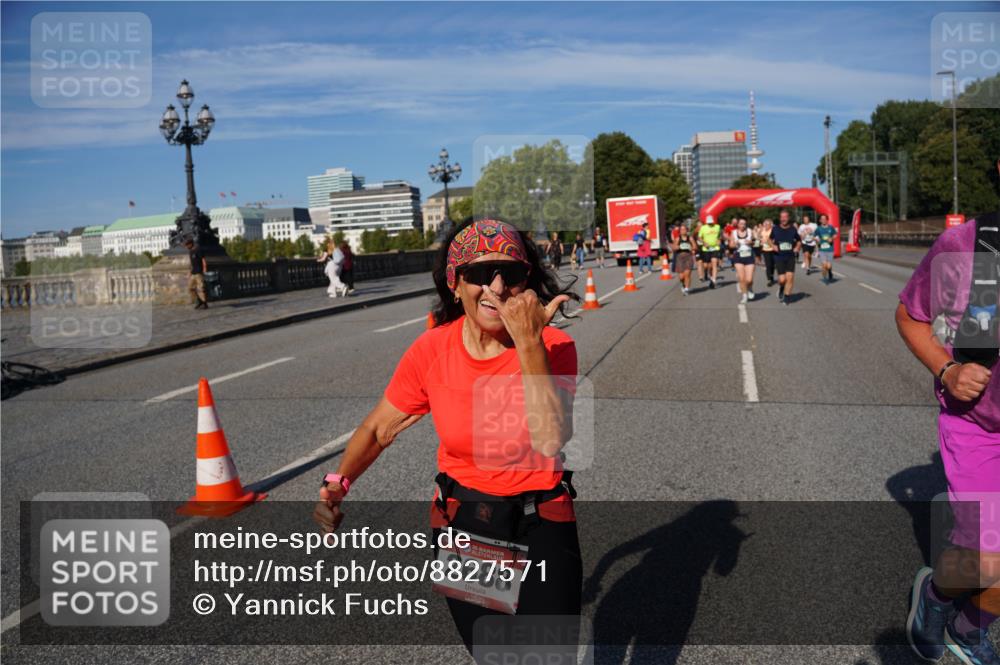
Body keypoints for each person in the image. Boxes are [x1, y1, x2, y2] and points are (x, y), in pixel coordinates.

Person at [312, 218, 582, 658]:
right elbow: (381, 427)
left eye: (510, 274)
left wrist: (529, 344)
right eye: (478, 274)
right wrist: (337, 484)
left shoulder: (552, 346)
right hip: (466, 521)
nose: (495, 286)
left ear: (526, 284)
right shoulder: (432, 349)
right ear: (456, 285)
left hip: (541, 519)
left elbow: (551, 439)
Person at [899, 197, 999, 664]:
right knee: (987, 559)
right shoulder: (968, 248)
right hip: (981, 427)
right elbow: (910, 316)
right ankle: (937, 598)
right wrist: (947, 370)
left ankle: (968, 626)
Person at [771, 210, 801, 304]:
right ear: (780, 218)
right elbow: (769, 239)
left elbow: (799, 240)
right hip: (779, 256)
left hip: (790, 256)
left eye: (785, 217)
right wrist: (773, 246)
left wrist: (797, 247)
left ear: (788, 218)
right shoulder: (775, 228)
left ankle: (787, 297)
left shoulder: (793, 229)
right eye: (782, 217)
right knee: (782, 279)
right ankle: (781, 287)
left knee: (790, 277)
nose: (783, 219)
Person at [729, 218, 756, 303]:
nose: (743, 225)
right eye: (741, 223)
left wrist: (751, 242)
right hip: (738, 256)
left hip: (749, 256)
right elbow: (731, 245)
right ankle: (744, 295)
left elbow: (756, 242)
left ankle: (750, 288)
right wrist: (735, 244)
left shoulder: (749, 231)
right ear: (738, 224)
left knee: (749, 279)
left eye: (744, 224)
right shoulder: (733, 233)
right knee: (742, 278)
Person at [697, 215, 723, 289]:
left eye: (711, 222)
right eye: (709, 223)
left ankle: (713, 280)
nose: (710, 224)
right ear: (706, 222)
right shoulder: (703, 228)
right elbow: (699, 237)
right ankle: (710, 276)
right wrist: (703, 242)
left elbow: (720, 235)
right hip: (706, 249)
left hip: (715, 248)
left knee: (714, 263)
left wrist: (719, 240)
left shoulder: (717, 227)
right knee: (708, 266)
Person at [183, 239, 208, 310]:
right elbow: (192, 264)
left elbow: (203, 259)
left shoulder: (198, 249)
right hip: (193, 273)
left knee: (201, 288)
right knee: (190, 288)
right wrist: (190, 272)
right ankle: (200, 300)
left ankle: (205, 303)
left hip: (199, 273)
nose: (186, 246)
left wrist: (204, 268)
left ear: (191, 244)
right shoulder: (190, 252)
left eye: (187, 245)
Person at [672, 223, 695, 295]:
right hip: (679, 257)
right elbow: (673, 248)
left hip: (688, 256)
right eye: (681, 230)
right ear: (680, 231)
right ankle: (683, 284)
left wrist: (692, 248)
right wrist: (677, 247)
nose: (683, 231)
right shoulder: (678, 238)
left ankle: (687, 289)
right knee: (681, 276)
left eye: (684, 229)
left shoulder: (690, 238)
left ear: (686, 230)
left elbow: (695, 246)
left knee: (687, 274)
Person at [814, 214, 836, 284]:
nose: (823, 220)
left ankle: (830, 272)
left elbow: (835, 234)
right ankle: (825, 277)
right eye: (822, 219)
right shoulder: (818, 228)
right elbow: (814, 236)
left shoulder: (831, 227)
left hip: (830, 250)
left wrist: (832, 238)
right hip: (822, 250)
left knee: (828, 266)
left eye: (824, 219)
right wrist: (817, 240)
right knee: (824, 265)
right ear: (820, 220)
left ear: (827, 220)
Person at [760, 219, 776, 286]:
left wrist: (772, 242)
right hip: (765, 250)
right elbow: (760, 239)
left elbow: (775, 239)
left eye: (767, 224)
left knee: (772, 265)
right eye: (765, 224)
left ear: (770, 225)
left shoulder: (773, 231)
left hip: (773, 250)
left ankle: (771, 276)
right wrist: (761, 242)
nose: (765, 225)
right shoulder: (762, 231)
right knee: (768, 265)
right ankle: (769, 279)